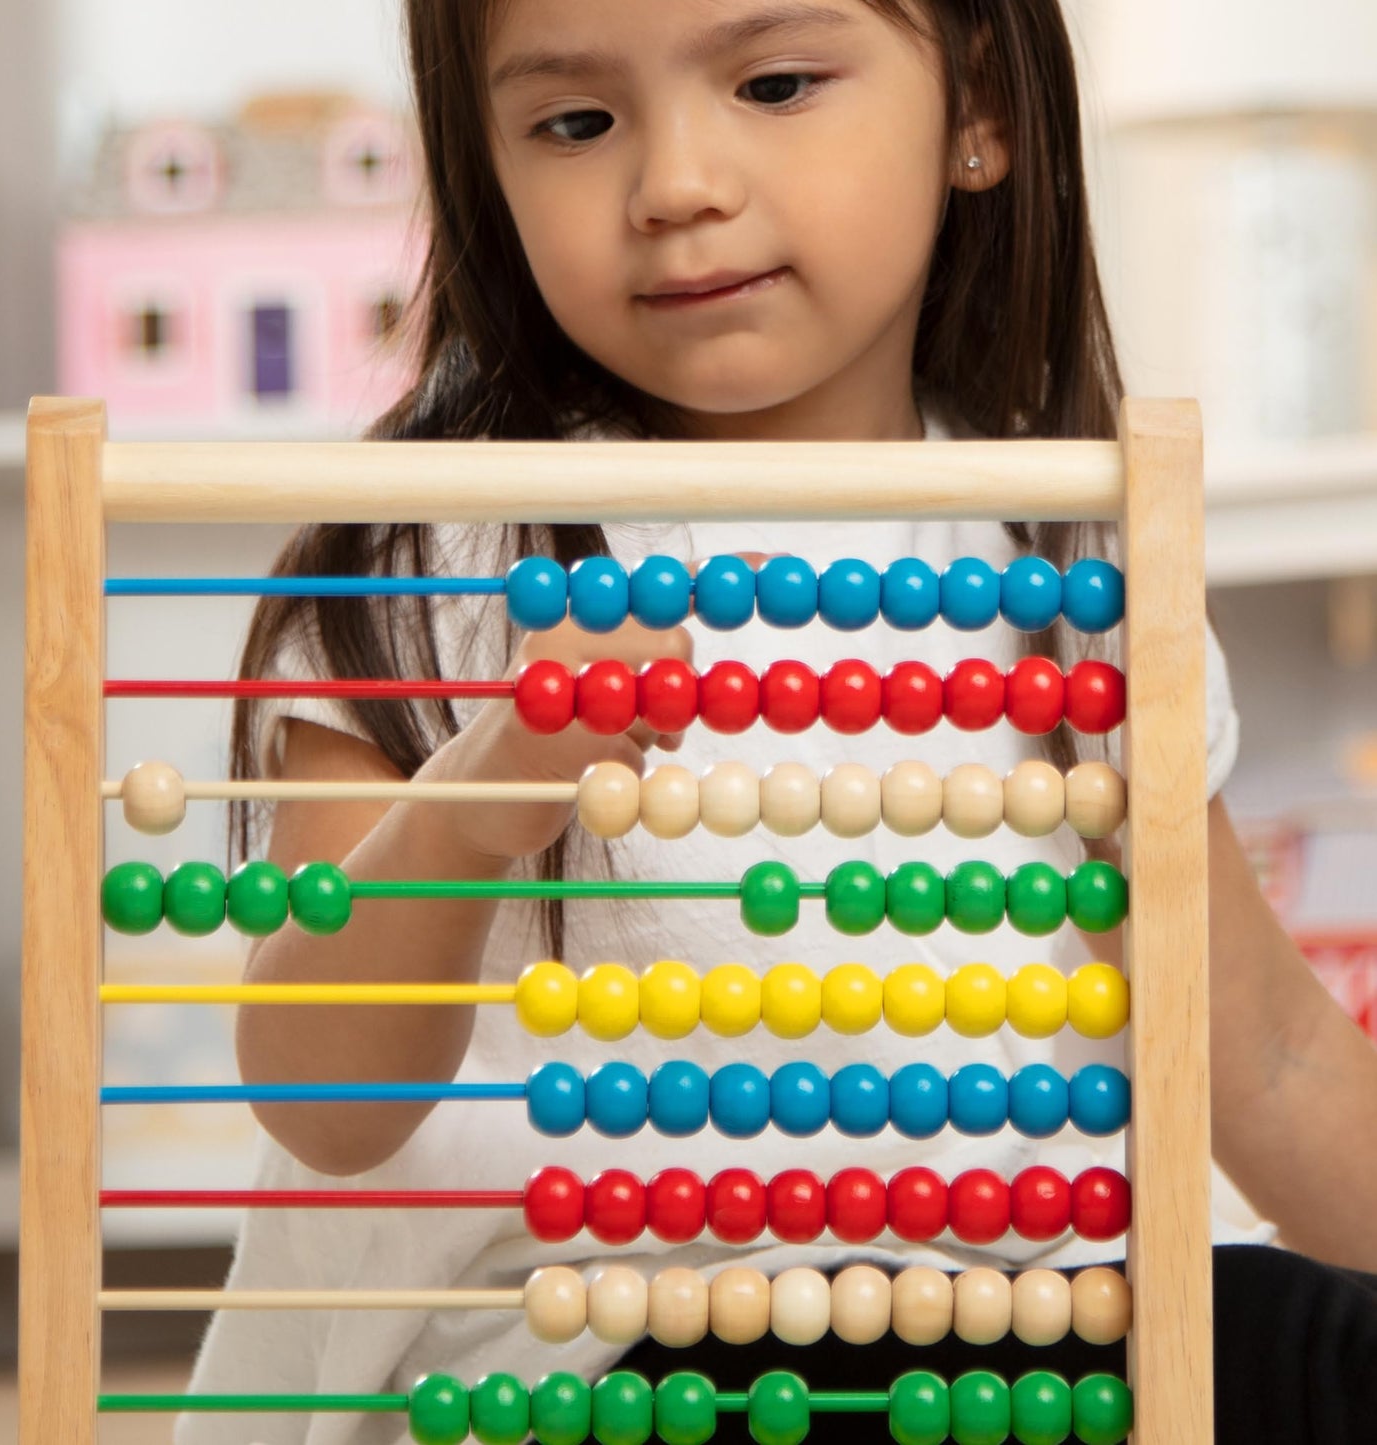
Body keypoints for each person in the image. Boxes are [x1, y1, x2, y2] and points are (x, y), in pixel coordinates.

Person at [178, 2, 1377, 1441]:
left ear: (978, 117)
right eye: (575, 123)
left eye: (773, 83)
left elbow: (1267, 1057)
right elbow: (321, 1098)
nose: (675, 181)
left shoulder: (1080, 587)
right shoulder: (429, 568)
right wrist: (475, 800)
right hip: (601, 1380)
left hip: (1042, 1337)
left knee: (1296, 1340)